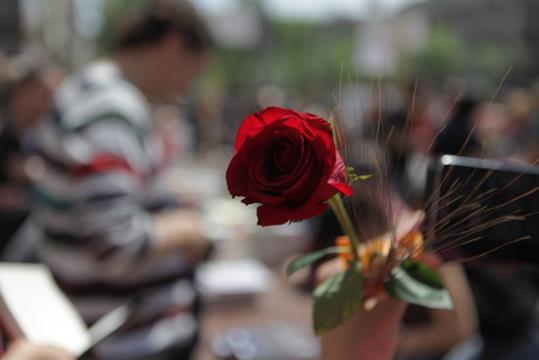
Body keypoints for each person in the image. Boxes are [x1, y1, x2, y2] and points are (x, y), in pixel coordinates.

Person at [31, 0, 212, 358]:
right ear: (173, 45)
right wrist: (187, 228)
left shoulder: (91, 91)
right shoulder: (111, 111)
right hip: (127, 341)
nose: (188, 85)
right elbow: (114, 242)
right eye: (193, 70)